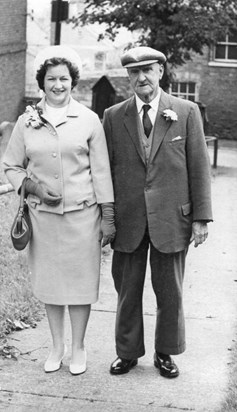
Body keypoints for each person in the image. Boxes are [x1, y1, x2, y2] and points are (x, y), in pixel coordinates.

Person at [3, 45, 115, 375]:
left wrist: (108, 216)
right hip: (43, 219)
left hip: (83, 216)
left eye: (64, 79)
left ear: (73, 82)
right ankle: (56, 347)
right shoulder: (27, 122)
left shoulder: (89, 120)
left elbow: (102, 172)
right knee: (51, 284)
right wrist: (32, 186)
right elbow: (10, 165)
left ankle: (78, 347)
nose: (58, 85)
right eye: (51, 79)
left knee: (80, 286)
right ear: (42, 83)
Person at [103, 46, 213, 378]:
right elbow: (104, 171)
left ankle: (165, 353)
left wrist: (201, 218)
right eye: (134, 72)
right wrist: (105, 217)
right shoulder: (113, 116)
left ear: (161, 72)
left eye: (147, 70)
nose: (141, 78)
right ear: (128, 77)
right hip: (129, 220)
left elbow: (199, 168)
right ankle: (128, 352)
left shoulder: (186, 111)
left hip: (172, 219)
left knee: (170, 292)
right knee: (127, 290)